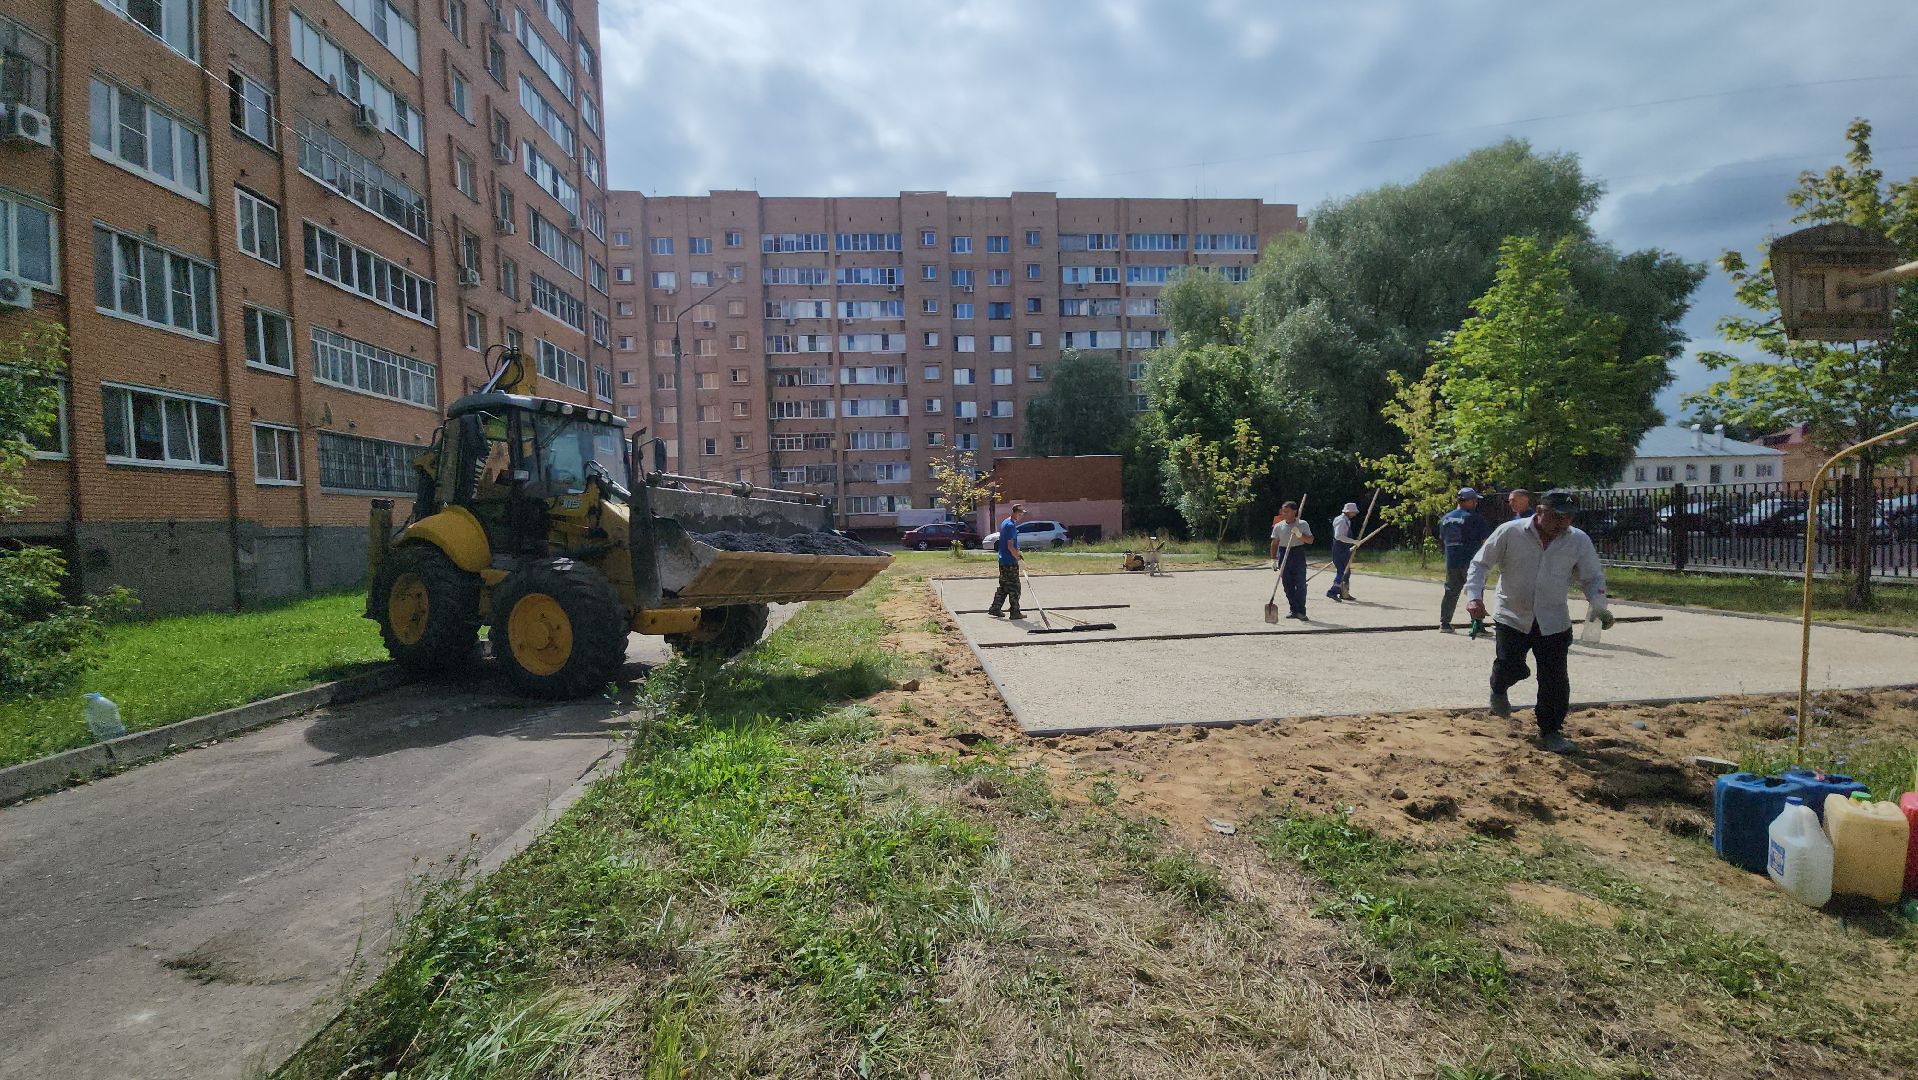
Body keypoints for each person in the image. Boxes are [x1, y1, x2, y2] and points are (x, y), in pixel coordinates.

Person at [1463, 489, 1613, 754]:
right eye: (1556, 517)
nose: (1562, 523)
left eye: (1568, 518)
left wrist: (1599, 605)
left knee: (1555, 680)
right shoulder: (1510, 532)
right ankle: (1499, 688)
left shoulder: (1578, 540)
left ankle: (1551, 730)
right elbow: (1480, 564)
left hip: (1554, 620)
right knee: (1511, 666)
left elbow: (1592, 577)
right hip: (1512, 616)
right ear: (1540, 511)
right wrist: (1474, 598)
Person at [1438, 488, 1491, 632]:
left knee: (1450, 591)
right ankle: (1477, 625)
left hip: (1452, 561)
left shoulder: (1445, 519)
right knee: (1475, 590)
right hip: (1471, 560)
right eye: (1474, 500)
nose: (1476, 503)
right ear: (1468, 501)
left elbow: (1443, 539)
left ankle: (1444, 623)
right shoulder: (1475, 518)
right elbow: (1486, 541)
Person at [1269, 501, 1314, 620]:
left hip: (1298, 553)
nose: (1284, 513)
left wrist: (1300, 535)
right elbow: (1274, 543)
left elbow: (1310, 540)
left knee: (1300, 584)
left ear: (1294, 511)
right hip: (1284, 553)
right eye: (1283, 511)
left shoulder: (1302, 524)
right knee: (1287, 584)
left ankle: (1301, 611)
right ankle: (1293, 609)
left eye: (1287, 511)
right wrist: (1274, 559)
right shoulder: (1279, 526)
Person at [986, 503, 1026, 619]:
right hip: (1009, 562)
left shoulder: (1006, 522)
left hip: (1003, 560)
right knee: (1015, 587)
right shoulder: (1010, 525)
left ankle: (995, 608)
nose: (1021, 515)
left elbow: (1012, 544)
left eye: (1022, 513)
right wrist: (1017, 557)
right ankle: (1015, 612)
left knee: (1004, 586)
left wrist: (1018, 552)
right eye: (1019, 513)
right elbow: (1010, 546)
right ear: (1014, 512)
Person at [1326, 501, 1361, 602]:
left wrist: (1350, 545)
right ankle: (1332, 591)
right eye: (1353, 512)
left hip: (1344, 548)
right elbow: (1338, 536)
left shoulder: (1347, 521)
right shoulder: (1341, 521)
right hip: (1339, 548)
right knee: (1342, 572)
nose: (1354, 514)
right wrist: (1354, 542)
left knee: (1347, 572)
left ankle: (1344, 593)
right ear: (1348, 512)